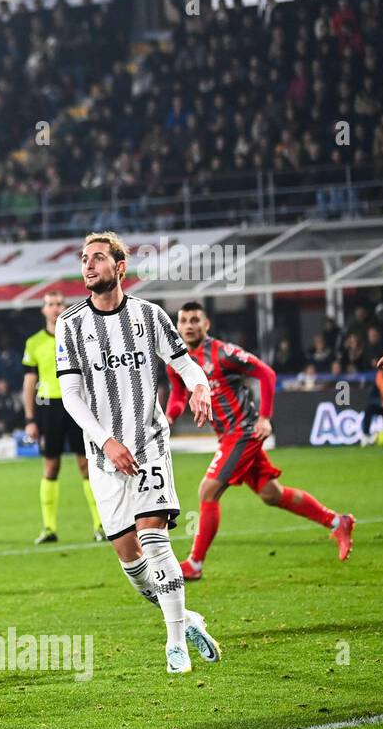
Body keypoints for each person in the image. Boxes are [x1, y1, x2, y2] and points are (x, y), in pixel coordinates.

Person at [56, 232, 221, 675]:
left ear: (120, 267)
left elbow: (184, 362)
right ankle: (186, 620)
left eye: (97, 258)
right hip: (105, 456)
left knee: (154, 538)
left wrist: (200, 385)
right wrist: (106, 441)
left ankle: (173, 645)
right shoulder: (69, 325)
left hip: (148, 443)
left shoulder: (149, 316)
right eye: (84, 258)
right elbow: (71, 396)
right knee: (131, 563)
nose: (88, 265)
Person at [167, 302, 355, 577]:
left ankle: (195, 564)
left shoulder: (223, 353)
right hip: (227, 436)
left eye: (195, 320)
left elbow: (266, 373)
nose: (189, 325)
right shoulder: (178, 361)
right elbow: (178, 395)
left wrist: (265, 417)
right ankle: (338, 521)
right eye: (184, 320)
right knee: (272, 494)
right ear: (178, 326)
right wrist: (170, 417)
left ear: (206, 324)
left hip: (243, 431)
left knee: (208, 490)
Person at [22, 289, 106, 543]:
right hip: (49, 409)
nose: (56, 308)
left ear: (65, 306)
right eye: (51, 304)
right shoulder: (34, 342)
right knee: (51, 465)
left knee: (86, 465)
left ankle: (101, 525)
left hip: (78, 406)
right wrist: (30, 419)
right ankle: (49, 528)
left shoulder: (78, 337)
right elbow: (29, 382)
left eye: (59, 303)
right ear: (44, 310)